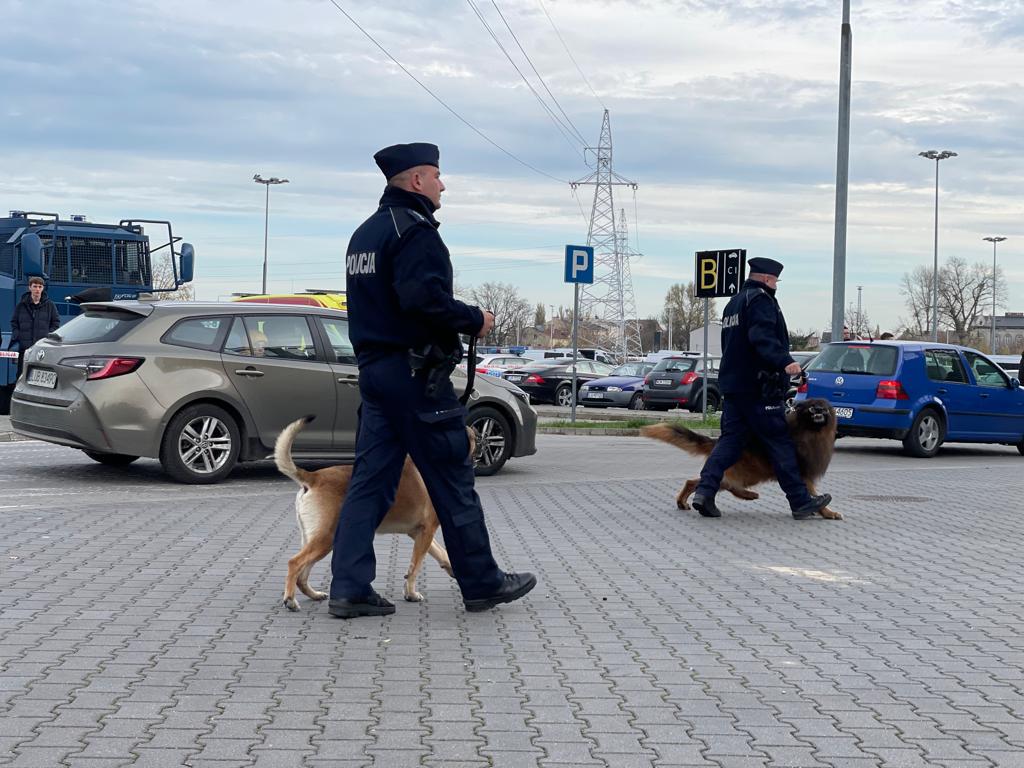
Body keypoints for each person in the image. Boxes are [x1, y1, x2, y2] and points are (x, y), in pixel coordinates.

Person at [328, 142, 536, 618]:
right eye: (438, 176)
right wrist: (473, 318)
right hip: (416, 377)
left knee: (369, 482)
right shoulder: (416, 232)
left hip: (376, 374)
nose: (443, 185)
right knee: (452, 478)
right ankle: (482, 582)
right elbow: (422, 301)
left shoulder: (365, 234)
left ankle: (349, 587)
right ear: (417, 180)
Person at [691, 257, 832, 520]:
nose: (776, 285)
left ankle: (704, 491)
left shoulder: (734, 304)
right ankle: (800, 501)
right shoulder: (761, 302)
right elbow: (762, 337)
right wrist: (786, 362)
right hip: (760, 388)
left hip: (734, 386)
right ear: (768, 279)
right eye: (776, 280)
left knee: (729, 442)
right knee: (780, 443)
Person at [8, 276, 61, 378]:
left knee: (41, 377)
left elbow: (56, 323)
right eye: (35, 286)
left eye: (40, 286)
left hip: (42, 349)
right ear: (30, 287)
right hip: (25, 349)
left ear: (43, 288)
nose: (37, 289)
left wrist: (47, 337)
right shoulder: (21, 305)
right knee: (21, 376)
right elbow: (14, 322)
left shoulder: (50, 305)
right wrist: (18, 335)